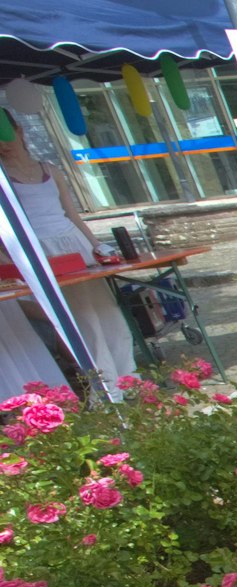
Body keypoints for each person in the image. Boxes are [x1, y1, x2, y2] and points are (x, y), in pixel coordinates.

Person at [0, 112, 137, 393]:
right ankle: (107, 390)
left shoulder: (51, 170)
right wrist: (11, 262)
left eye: (5, 134)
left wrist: (98, 245)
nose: (3, 143)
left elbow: (72, 214)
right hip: (40, 249)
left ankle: (130, 380)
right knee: (83, 320)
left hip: (75, 245)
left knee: (108, 312)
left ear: (19, 131)